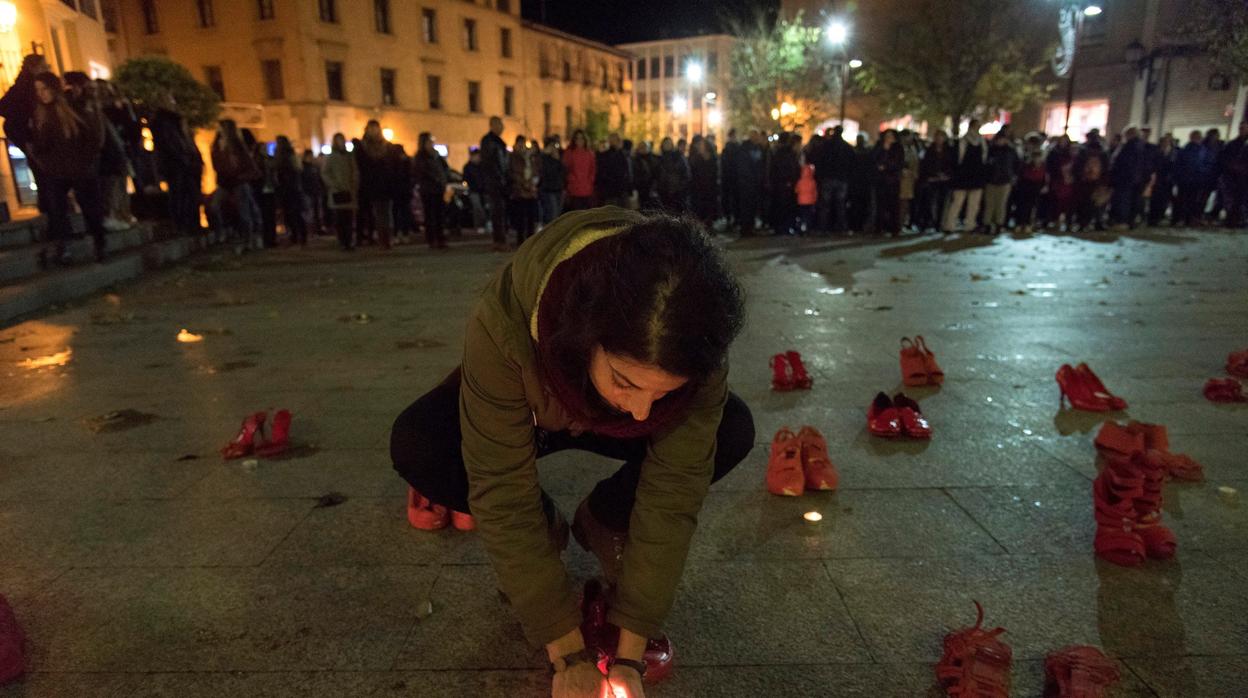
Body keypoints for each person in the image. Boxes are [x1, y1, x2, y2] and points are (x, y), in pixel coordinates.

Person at [390, 207, 752, 698]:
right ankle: (551, 528)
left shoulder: (696, 333)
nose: (644, 412)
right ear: (586, 338)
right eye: (626, 380)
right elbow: (502, 490)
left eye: (664, 393)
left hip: (598, 413)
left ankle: (605, 517)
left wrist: (629, 651)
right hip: (533, 408)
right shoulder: (505, 324)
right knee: (420, 444)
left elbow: (673, 495)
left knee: (731, 429)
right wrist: (567, 652)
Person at [27, 72, 107, 264]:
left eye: (44, 89)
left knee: (90, 208)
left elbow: (93, 137)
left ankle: (98, 244)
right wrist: (40, 158)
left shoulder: (73, 109)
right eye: (38, 90)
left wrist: (86, 160)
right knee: (58, 210)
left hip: (80, 169)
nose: (42, 94)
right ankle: (65, 248)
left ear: (54, 88)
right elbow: (41, 146)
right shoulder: (41, 115)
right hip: (56, 171)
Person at [151, 94, 203, 236]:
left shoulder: (173, 122)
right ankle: (182, 224)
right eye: (170, 100)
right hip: (175, 164)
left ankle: (189, 224)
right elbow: (170, 145)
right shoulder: (163, 122)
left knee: (187, 194)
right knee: (179, 194)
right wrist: (183, 158)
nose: (173, 103)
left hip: (182, 162)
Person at [210, 119, 262, 248]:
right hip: (224, 182)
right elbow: (216, 163)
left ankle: (248, 240)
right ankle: (221, 232)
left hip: (238, 181)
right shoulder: (217, 145)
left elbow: (249, 164)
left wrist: (241, 175)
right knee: (214, 207)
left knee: (243, 212)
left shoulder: (237, 146)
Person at [943, 120, 988, 233]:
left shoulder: (982, 142)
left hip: (976, 177)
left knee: (973, 204)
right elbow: (957, 160)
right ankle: (950, 225)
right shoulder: (962, 142)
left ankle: (970, 224)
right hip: (962, 177)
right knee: (957, 202)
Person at [357, 120, 395, 249]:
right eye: (371, 128)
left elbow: (392, 166)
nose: (374, 131)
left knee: (387, 213)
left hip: (386, 184)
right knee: (377, 213)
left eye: (376, 128)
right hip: (371, 184)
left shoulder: (387, 146)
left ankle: (388, 238)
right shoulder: (362, 147)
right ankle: (380, 239)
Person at [412, 131, 450, 249]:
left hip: (439, 189)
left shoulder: (437, 155)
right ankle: (431, 240)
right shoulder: (420, 157)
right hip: (428, 190)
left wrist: (444, 179)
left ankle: (440, 238)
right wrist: (436, 179)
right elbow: (422, 172)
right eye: (429, 141)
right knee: (430, 215)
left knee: (440, 215)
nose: (432, 143)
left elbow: (445, 168)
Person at [321, 132, 358, 250]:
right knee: (340, 218)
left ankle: (348, 241)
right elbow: (325, 172)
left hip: (348, 189)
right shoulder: (331, 157)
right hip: (337, 191)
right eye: (338, 140)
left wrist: (354, 184)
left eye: (342, 140)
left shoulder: (349, 156)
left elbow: (354, 170)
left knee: (348, 217)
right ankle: (343, 241)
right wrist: (333, 184)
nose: (341, 142)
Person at [480, 116, 511, 251]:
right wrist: (499, 178)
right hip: (495, 182)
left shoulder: (498, 143)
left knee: (501, 211)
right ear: (492, 125)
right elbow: (491, 164)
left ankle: (501, 239)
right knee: (497, 211)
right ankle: (499, 240)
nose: (502, 127)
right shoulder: (489, 142)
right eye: (499, 125)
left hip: (499, 181)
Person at [1108, 126, 1147, 229]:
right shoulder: (1142, 147)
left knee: (1123, 200)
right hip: (1136, 179)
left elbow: (1123, 163)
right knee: (1133, 200)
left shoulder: (1128, 147)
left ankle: (1122, 221)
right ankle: (1130, 221)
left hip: (1125, 179)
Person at [983, 132, 1019, 235]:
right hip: (991, 181)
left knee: (1001, 205)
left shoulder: (1010, 151)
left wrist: (1012, 176)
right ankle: (987, 224)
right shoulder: (991, 150)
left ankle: (999, 224)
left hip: (1004, 181)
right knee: (989, 204)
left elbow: (1016, 164)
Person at [918, 129, 953, 233]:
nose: (939, 139)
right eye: (937, 137)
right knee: (929, 202)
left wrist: (946, 175)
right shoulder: (929, 150)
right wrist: (931, 175)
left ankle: (938, 223)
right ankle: (927, 222)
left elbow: (951, 164)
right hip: (931, 180)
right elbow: (925, 165)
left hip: (944, 180)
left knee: (942, 203)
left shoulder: (949, 150)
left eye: (941, 137)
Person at [274, 135, 307, 246]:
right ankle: (298, 236)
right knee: (293, 213)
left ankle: (298, 236)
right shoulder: (288, 156)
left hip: (290, 188)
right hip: (290, 188)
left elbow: (296, 170)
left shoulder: (287, 156)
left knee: (293, 213)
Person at [872, 129, 904, 235]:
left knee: (893, 205)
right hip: (880, 180)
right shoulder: (879, 146)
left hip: (892, 180)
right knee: (880, 205)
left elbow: (898, 162)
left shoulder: (898, 148)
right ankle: (879, 227)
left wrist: (886, 166)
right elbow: (873, 158)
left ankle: (894, 228)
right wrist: (883, 150)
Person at [1217, 122, 1248, 228]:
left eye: (1243, 128)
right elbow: (1223, 158)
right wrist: (1232, 166)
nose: (1241, 130)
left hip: (1244, 178)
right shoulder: (1232, 144)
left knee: (1242, 200)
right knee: (1231, 201)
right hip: (1232, 178)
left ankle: (1241, 220)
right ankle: (1231, 220)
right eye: (1240, 128)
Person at [1014, 134, 1047, 233]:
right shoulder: (1023, 153)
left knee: (1031, 204)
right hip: (1024, 181)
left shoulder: (1041, 153)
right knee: (1021, 203)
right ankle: (1019, 223)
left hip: (1035, 181)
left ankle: (1027, 223)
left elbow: (1044, 169)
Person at [769, 133, 801, 234]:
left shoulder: (777, 152)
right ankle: (785, 227)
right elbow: (791, 168)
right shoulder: (788, 153)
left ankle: (780, 227)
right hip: (786, 183)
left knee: (780, 206)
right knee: (786, 206)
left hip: (779, 183)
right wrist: (791, 180)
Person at [736, 131, 767, 235]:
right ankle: (746, 228)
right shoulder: (746, 149)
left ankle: (750, 227)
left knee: (751, 207)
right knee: (747, 207)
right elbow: (745, 167)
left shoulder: (756, 148)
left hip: (753, 183)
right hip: (747, 183)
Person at [1044, 135, 1076, 229]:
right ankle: (1055, 220)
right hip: (1057, 180)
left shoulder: (1071, 153)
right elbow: (1050, 166)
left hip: (1068, 181)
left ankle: (1067, 222)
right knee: (1056, 201)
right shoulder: (1054, 152)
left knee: (1067, 202)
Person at [562, 129, 596, 212]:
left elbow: (593, 169)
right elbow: (565, 169)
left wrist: (590, 181)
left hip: (587, 188)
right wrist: (571, 180)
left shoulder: (589, 153)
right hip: (574, 188)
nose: (579, 141)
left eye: (581, 138)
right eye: (577, 138)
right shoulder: (569, 153)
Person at [1147, 134, 1177, 227]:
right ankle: (1153, 218)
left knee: (1164, 200)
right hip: (1158, 179)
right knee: (1155, 200)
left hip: (1168, 180)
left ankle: (1159, 216)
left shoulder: (1174, 153)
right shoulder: (1156, 151)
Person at [596, 133, 632, 209]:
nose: (618, 141)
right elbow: (602, 173)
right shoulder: (605, 155)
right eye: (615, 140)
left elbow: (629, 172)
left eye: (618, 139)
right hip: (611, 191)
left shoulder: (625, 154)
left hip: (623, 190)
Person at [655, 137, 690, 214]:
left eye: (669, 143)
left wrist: (680, 188)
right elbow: (656, 175)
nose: (667, 145)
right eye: (665, 143)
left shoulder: (678, 157)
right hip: (663, 193)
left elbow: (686, 174)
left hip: (677, 193)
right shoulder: (659, 159)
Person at [688, 137, 719, 226]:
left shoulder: (713, 158)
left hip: (710, 187)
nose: (699, 147)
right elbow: (693, 173)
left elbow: (715, 173)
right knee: (700, 208)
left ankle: (710, 224)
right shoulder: (696, 158)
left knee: (710, 207)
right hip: (699, 188)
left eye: (701, 145)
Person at [391, 142, 416, 245]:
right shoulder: (408, 161)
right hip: (405, 191)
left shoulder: (393, 162)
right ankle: (405, 234)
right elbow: (412, 176)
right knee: (404, 213)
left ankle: (397, 234)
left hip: (396, 192)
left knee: (396, 214)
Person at [539, 136, 565, 225]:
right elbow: (545, 172)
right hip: (548, 189)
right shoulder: (543, 157)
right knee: (551, 215)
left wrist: (558, 160)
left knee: (557, 215)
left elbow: (562, 172)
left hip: (558, 188)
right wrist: (546, 155)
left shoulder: (559, 156)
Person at [898, 130, 920, 231]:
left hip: (910, 179)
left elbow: (915, 163)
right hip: (902, 179)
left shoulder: (912, 148)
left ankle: (902, 223)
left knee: (906, 202)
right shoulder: (900, 148)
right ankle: (899, 223)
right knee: (901, 202)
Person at [462, 148, 488, 232]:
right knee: (477, 208)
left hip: (483, 191)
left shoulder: (482, 166)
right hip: (473, 191)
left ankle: (484, 225)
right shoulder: (468, 167)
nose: (479, 158)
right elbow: (466, 179)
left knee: (483, 208)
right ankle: (479, 226)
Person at [301, 149, 325, 237]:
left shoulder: (313, 166)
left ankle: (318, 229)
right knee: (310, 213)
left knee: (317, 212)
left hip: (316, 191)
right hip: (308, 192)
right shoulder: (303, 167)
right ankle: (312, 231)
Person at [719, 129, 740, 229]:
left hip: (733, 179)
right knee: (730, 200)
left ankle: (734, 219)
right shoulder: (729, 149)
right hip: (730, 179)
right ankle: (730, 219)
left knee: (734, 200)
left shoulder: (734, 148)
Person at [795, 148, 818, 235]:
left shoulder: (800, 181)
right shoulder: (812, 181)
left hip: (801, 201)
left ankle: (801, 228)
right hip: (810, 201)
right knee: (809, 215)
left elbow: (797, 190)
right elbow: (815, 192)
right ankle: (808, 228)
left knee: (802, 215)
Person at [631, 141, 658, 211]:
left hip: (651, 189)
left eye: (644, 147)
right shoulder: (634, 160)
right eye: (641, 147)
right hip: (639, 189)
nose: (643, 149)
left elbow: (656, 175)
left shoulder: (654, 159)